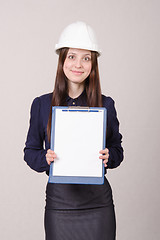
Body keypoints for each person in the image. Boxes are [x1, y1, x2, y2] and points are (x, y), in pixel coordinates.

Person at [24, 21, 124, 240]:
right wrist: (45, 157)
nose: (78, 64)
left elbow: (117, 150)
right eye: (72, 56)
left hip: (98, 205)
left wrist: (109, 155)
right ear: (62, 61)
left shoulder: (105, 105)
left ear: (93, 64)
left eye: (86, 58)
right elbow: (30, 151)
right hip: (59, 205)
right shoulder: (41, 104)